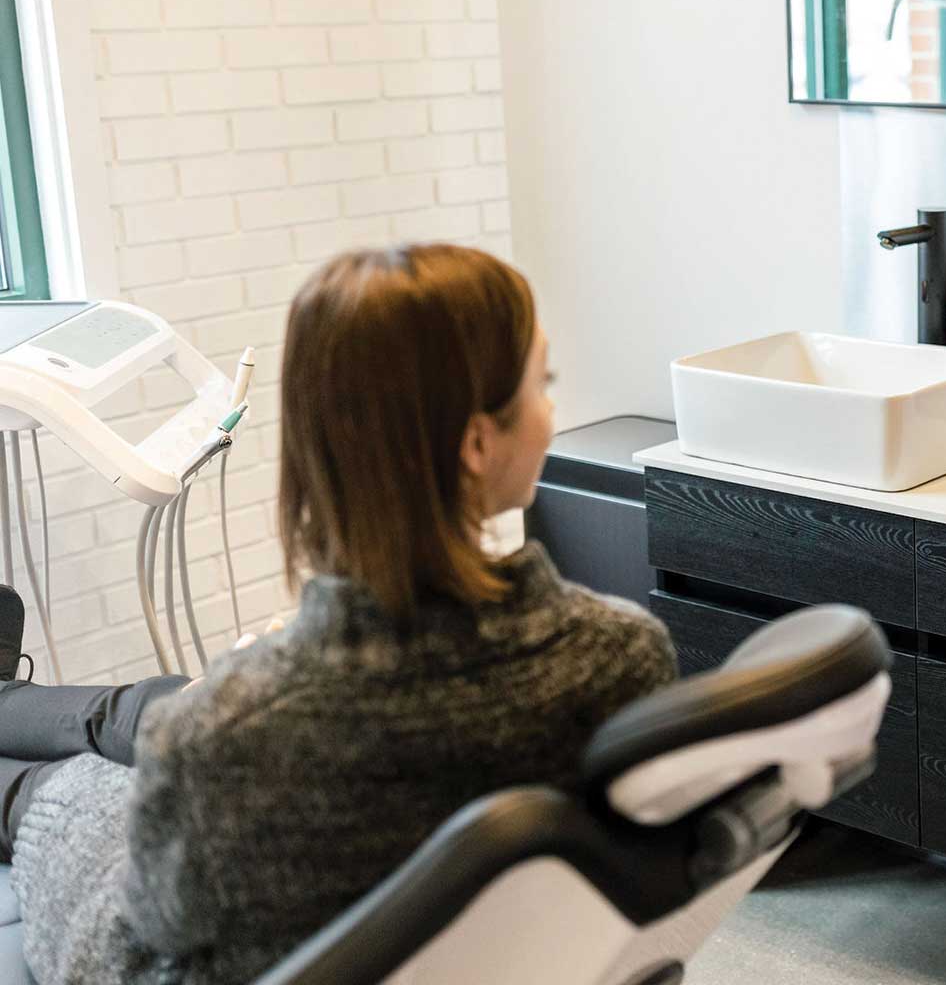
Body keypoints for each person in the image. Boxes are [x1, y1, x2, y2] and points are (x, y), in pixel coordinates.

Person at [0, 245, 678, 985]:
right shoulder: (623, 656)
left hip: (132, 941)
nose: (551, 414)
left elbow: (154, 928)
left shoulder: (232, 735)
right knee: (154, 710)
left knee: (64, 787)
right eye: (542, 389)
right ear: (480, 443)